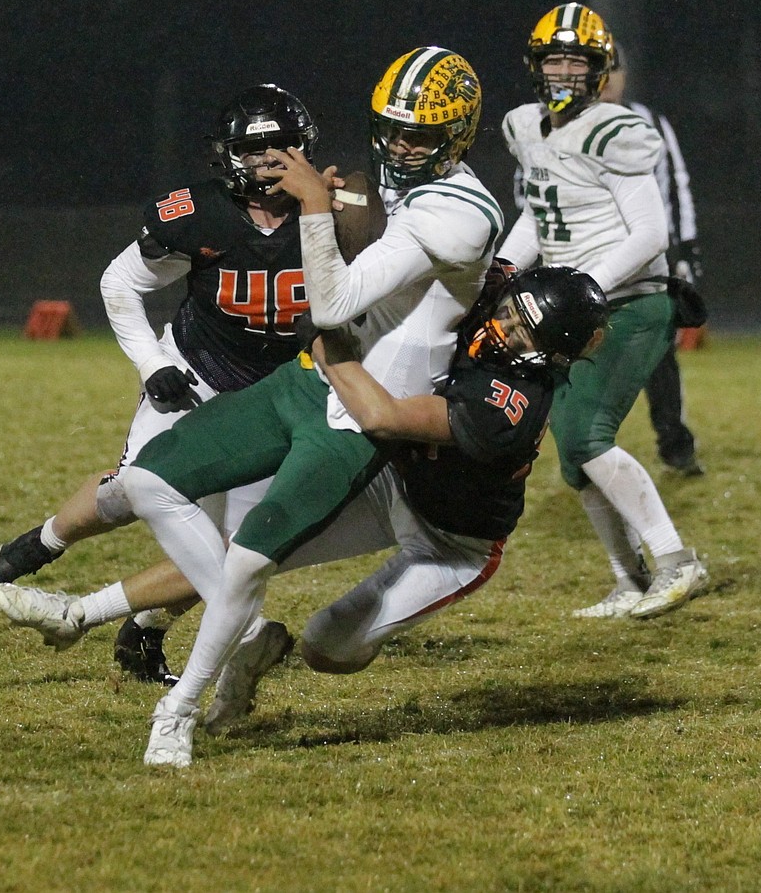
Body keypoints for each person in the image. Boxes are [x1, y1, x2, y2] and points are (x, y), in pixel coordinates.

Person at [60, 46, 502, 767]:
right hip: (312, 375)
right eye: (389, 128)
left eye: (417, 134)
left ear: (457, 135)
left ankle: (177, 707)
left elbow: (329, 300)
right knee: (147, 478)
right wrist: (339, 206)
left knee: (245, 561)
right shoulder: (405, 185)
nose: (396, 146)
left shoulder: (458, 214)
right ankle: (191, 626)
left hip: (363, 412)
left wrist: (321, 208)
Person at [0, 267, 610, 743]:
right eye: (509, 311)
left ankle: (254, 648)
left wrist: (323, 338)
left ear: (550, 352)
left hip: (453, 536)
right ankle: (77, 614)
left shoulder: (514, 404)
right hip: (392, 481)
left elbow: (383, 413)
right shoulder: (484, 288)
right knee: (242, 553)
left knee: (326, 648)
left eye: (524, 330)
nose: (504, 325)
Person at [0, 85, 321, 684]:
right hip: (199, 373)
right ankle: (38, 545)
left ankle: (144, 630)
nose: (266, 163)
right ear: (228, 156)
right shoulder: (202, 215)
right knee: (130, 490)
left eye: (280, 148)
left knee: (232, 551)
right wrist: (153, 363)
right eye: (251, 150)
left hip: (275, 396)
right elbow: (118, 284)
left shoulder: (335, 216)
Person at [496, 2, 708, 621]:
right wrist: (503, 271)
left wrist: (588, 284)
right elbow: (541, 214)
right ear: (535, 66)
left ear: (599, 69)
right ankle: (630, 579)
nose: (564, 71)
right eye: (554, 59)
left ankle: (675, 562)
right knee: (571, 450)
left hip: (631, 302)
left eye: (576, 60)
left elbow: (650, 232)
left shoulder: (616, 130)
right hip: (575, 303)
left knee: (587, 433)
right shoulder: (527, 127)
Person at [600, 44, 704, 475]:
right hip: (590, 258)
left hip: (646, 262)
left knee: (659, 354)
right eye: (597, 70)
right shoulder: (561, 126)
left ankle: (675, 445)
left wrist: (685, 255)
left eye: (613, 69)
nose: (606, 79)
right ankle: (584, 446)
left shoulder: (649, 122)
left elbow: (675, 187)